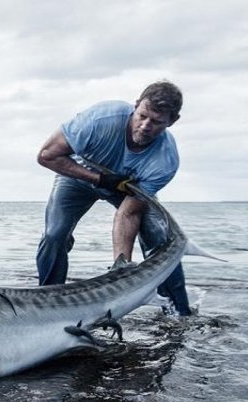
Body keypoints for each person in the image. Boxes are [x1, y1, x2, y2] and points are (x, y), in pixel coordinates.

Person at [35, 80, 191, 316]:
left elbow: (129, 213)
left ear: (173, 121)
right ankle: (47, 302)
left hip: (128, 190)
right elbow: (47, 156)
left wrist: (121, 269)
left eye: (157, 122)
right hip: (77, 177)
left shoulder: (165, 160)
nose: (146, 126)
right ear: (136, 105)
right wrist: (98, 179)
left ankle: (178, 312)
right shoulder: (100, 120)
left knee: (159, 238)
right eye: (142, 116)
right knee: (54, 234)